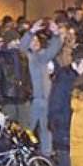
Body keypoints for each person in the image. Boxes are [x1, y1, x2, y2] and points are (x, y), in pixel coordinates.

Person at [20, 20, 62, 155]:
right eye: (32, 41)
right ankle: (23, 154)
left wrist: (56, 34)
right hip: (32, 100)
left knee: (46, 128)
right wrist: (31, 31)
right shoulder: (25, 57)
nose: (35, 43)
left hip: (46, 99)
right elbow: (22, 47)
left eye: (37, 40)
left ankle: (47, 154)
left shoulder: (43, 56)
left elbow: (54, 49)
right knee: (28, 128)